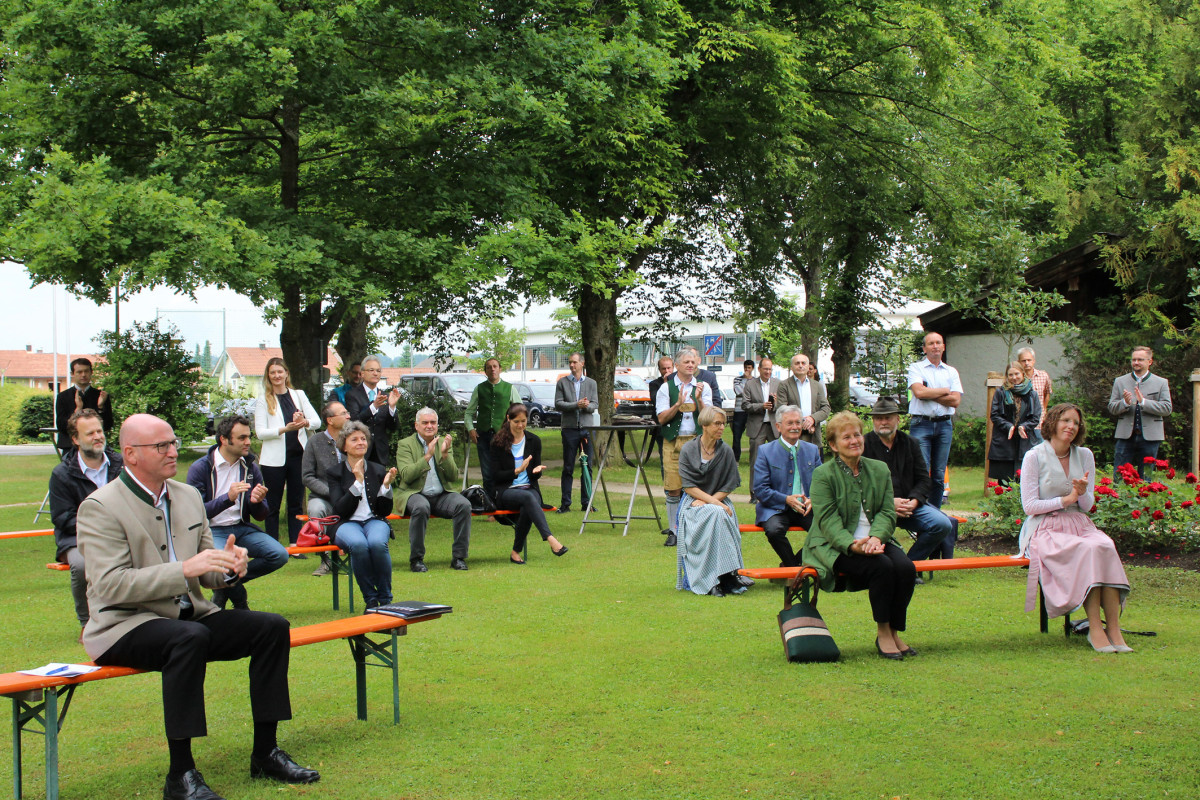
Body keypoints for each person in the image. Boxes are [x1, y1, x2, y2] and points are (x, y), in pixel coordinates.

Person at [77, 414, 318, 800]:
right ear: (130, 455)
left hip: (189, 616)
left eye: (173, 442)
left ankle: (266, 753)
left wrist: (230, 568)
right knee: (188, 638)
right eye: (162, 446)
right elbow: (108, 585)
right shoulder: (100, 507)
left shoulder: (187, 496)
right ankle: (180, 774)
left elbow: (209, 570)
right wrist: (183, 569)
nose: (173, 451)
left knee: (272, 627)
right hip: (123, 624)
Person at [802, 411, 917, 660]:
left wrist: (877, 538)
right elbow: (827, 521)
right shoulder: (823, 475)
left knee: (906, 568)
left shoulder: (879, 469)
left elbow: (887, 511)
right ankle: (883, 632)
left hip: (876, 539)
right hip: (835, 545)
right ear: (833, 445)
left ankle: (895, 631)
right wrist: (852, 545)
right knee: (883, 568)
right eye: (846, 437)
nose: (854, 440)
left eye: (857, 435)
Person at [1018, 403, 1132, 652]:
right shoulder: (1034, 456)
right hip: (1044, 527)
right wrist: (1066, 499)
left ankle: (1113, 628)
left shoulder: (1085, 455)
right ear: (1053, 423)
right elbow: (1029, 506)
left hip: (1079, 523)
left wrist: (1081, 494)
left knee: (1104, 545)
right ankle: (1094, 628)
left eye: (1076, 423)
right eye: (1065, 421)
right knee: (1089, 549)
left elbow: (1088, 505)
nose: (1071, 426)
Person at [186, 415, 289, 610]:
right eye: (242, 438)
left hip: (241, 528)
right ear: (224, 439)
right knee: (225, 564)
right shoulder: (200, 468)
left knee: (279, 554)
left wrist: (257, 502)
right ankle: (240, 603)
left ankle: (226, 583)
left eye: (248, 436)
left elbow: (260, 515)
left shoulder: (250, 467)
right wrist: (228, 498)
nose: (248, 442)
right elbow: (194, 514)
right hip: (212, 530)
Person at [48, 409, 123, 636]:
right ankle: (86, 623)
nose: (98, 436)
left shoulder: (122, 465)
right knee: (82, 565)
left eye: (99, 431)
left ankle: (133, 616)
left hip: (121, 532)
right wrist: (99, 528)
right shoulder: (61, 474)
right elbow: (62, 517)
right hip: (76, 537)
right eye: (90, 433)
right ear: (75, 440)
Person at [862, 396, 958, 564]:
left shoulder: (911, 443)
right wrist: (888, 503)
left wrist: (913, 501)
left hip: (909, 506)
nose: (883, 422)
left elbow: (923, 479)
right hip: (876, 508)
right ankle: (892, 567)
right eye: (878, 418)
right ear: (873, 421)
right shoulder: (863, 445)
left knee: (943, 524)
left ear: (898, 419)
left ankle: (910, 564)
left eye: (888, 418)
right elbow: (860, 484)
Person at [676, 406, 746, 596]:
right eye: (717, 423)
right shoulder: (688, 449)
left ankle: (717, 577)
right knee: (718, 514)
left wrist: (712, 502)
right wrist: (713, 504)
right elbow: (688, 487)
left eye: (723, 423)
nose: (722, 427)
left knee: (717, 514)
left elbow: (729, 484)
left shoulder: (726, 451)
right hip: (693, 502)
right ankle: (726, 575)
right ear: (705, 425)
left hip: (718, 501)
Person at [328, 421, 398, 610]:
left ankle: (385, 599)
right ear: (344, 446)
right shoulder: (335, 473)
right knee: (358, 545)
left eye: (363, 439)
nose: (361, 442)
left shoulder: (377, 469)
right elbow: (339, 510)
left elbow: (384, 511)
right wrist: (358, 482)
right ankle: (370, 599)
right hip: (346, 523)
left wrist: (386, 486)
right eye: (354, 439)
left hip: (374, 520)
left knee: (377, 543)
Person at [253, 357, 319, 549]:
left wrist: (303, 422)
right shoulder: (264, 400)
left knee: (296, 503)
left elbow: (316, 421)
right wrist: (284, 429)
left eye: (279, 372)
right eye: (272, 372)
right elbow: (260, 433)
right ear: (268, 376)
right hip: (273, 460)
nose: (276, 376)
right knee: (273, 503)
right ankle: (272, 544)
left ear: (286, 374)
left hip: (298, 456)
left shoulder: (298, 395)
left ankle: (296, 544)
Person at [489, 403, 569, 562]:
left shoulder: (534, 441)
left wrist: (537, 471)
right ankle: (550, 538)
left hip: (530, 489)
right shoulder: (497, 443)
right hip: (506, 491)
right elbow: (495, 476)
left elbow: (535, 474)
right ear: (508, 420)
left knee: (528, 502)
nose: (520, 425)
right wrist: (517, 472)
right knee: (528, 499)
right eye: (516, 421)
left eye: (523, 421)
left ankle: (515, 552)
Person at [396, 407, 472, 572]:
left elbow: (453, 477)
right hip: (414, 494)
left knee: (463, 505)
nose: (429, 426)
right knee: (421, 507)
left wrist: (444, 456)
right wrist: (428, 456)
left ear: (437, 425)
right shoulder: (405, 444)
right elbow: (406, 476)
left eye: (433, 422)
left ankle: (458, 558)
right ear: (417, 426)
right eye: (425, 423)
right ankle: (416, 560)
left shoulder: (443, 442)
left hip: (441, 495)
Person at [656, 347, 714, 547]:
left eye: (693, 362)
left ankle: (696, 530)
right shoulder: (666, 388)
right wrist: (677, 404)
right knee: (673, 488)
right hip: (673, 442)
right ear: (677, 365)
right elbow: (662, 418)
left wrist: (698, 400)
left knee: (698, 488)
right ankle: (673, 530)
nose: (691, 365)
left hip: (698, 442)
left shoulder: (703, 387)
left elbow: (709, 418)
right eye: (687, 362)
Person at [752, 405, 821, 567]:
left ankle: (792, 566)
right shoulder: (765, 451)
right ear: (778, 426)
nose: (795, 427)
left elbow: (822, 484)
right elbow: (760, 489)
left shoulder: (812, 450)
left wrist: (813, 499)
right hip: (775, 508)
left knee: (826, 531)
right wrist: (786, 499)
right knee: (774, 531)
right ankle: (794, 568)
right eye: (789, 423)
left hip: (807, 508)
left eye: (798, 422)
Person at [907, 332, 962, 509]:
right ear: (924, 348)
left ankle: (935, 514)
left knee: (938, 475)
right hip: (921, 424)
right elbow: (919, 393)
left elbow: (955, 401)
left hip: (944, 425)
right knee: (921, 472)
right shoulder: (916, 368)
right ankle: (921, 514)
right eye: (931, 343)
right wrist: (945, 390)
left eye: (938, 342)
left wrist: (930, 393)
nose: (935, 346)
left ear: (943, 346)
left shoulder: (951, 371)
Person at [1107, 345, 1172, 480]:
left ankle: (1144, 501)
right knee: (1120, 475)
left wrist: (1144, 402)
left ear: (1150, 361)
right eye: (1134, 359)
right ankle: (1118, 500)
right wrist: (1124, 403)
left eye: (1140, 359)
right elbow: (1112, 408)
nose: (1136, 362)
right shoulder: (1120, 381)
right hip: (1125, 436)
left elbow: (1167, 408)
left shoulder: (1161, 382)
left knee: (1146, 477)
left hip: (1150, 437)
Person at [301, 400, 350, 576]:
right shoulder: (314, 442)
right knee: (316, 509)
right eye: (343, 413)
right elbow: (307, 476)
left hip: (349, 496)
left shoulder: (353, 438)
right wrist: (331, 492)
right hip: (322, 497)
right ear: (330, 420)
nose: (348, 416)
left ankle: (354, 558)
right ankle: (326, 560)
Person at [465, 357, 521, 494]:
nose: (492, 369)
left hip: (503, 436)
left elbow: (520, 411)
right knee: (487, 472)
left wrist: (513, 428)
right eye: (489, 367)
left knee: (505, 470)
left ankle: (505, 501)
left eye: (495, 366)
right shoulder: (479, 389)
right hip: (483, 436)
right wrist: (471, 429)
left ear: (500, 369)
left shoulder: (509, 388)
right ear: (485, 371)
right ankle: (490, 508)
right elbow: (468, 413)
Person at [554, 352, 599, 513]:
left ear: (582, 363)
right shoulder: (562, 383)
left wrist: (586, 406)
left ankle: (586, 502)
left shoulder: (592, 383)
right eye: (570, 363)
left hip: (587, 429)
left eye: (574, 362)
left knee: (587, 466)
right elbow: (558, 404)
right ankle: (565, 503)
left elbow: (595, 404)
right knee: (568, 467)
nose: (572, 366)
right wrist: (575, 405)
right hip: (569, 429)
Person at [988, 362, 1041, 485]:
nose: (1014, 377)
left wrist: (1024, 427)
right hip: (1005, 443)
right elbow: (994, 415)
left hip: (1025, 442)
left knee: (1024, 482)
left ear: (1022, 373)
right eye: (1010, 374)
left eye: (1016, 374)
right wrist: (1009, 427)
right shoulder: (1000, 393)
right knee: (1005, 483)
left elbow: (1036, 417)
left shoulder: (1032, 394)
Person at [344, 357, 401, 467]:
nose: (375, 373)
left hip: (380, 453)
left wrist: (392, 408)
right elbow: (355, 422)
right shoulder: (352, 395)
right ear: (362, 373)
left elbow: (393, 427)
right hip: (360, 450)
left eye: (378, 371)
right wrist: (374, 407)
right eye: (371, 370)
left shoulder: (386, 396)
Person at [55, 357, 112, 451]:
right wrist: (77, 410)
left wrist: (100, 407)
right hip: (70, 447)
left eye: (86, 371)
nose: (83, 375)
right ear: (72, 374)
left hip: (95, 446)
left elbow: (107, 425)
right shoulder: (63, 397)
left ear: (91, 372)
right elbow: (61, 426)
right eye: (79, 372)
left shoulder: (101, 396)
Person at [776, 353, 831, 450]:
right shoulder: (784, 385)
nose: (800, 365)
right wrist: (803, 423)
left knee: (814, 464)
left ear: (808, 366)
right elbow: (782, 409)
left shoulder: (817, 386)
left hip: (813, 434)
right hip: (792, 435)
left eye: (803, 363)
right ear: (792, 367)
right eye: (797, 363)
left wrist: (812, 419)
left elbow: (826, 408)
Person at [742, 357, 780, 494]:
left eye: (770, 369)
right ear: (759, 369)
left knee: (777, 460)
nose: (768, 372)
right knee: (756, 461)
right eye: (765, 369)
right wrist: (761, 406)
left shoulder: (778, 384)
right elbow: (745, 405)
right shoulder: (750, 384)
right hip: (757, 427)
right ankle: (754, 492)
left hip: (774, 427)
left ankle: (776, 490)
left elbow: (784, 406)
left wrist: (775, 404)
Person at [1017, 347, 1052, 439]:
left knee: (1040, 449)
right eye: (1023, 361)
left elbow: (1047, 393)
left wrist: (1044, 409)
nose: (1027, 363)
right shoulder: (1015, 378)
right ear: (1019, 362)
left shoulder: (1043, 376)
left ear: (1034, 361)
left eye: (1029, 360)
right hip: (1021, 424)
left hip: (1039, 423)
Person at [647, 355, 674, 464]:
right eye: (664, 368)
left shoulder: (680, 382)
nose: (667, 371)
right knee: (665, 460)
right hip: (661, 427)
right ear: (659, 370)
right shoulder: (654, 384)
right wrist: (666, 383)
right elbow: (656, 400)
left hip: (677, 425)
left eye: (669, 368)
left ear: (673, 368)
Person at [730, 359, 754, 463]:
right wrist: (749, 391)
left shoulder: (755, 381)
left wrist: (747, 390)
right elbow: (737, 391)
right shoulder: (737, 379)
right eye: (745, 368)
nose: (747, 370)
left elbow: (755, 393)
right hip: (739, 411)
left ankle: (753, 458)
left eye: (749, 368)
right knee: (736, 435)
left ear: (752, 368)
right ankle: (735, 459)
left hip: (751, 410)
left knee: (753, 435)